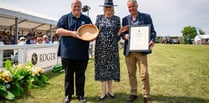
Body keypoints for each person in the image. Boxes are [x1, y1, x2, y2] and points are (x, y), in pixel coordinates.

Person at [56, 0, 92, 103]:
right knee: (68, 75)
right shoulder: (65, 18)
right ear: (71, 7)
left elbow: (92, 32)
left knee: (81, 75)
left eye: (78, 6)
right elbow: (58, 31)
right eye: (75, 6)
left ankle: (81, 95)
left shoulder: (86, 19)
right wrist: (72, 33)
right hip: (67, 53)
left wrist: (92, 37)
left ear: (81, 7)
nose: (77, 8)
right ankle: (68, 95)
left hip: (82, 54)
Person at [121, 0, 156, 103]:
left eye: (133, 6)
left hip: (141, 51)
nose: (131, 8)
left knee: (144, 74)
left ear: (137, 6)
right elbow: (122, 33)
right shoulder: (125, 19)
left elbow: (152, 31)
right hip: (129, 51)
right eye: (129, 7)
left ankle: (146, 95)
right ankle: (133, 93)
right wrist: (125, 36)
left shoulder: (146, 17)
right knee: (131, 73)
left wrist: (152, 40)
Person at [94, 0, 123, 100]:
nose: (108, 9)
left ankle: (110, 91)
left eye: (110, 7)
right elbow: (95, 31)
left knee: (111, 69)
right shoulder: (99, 17)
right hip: (100, 48)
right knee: (102, 69)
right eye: (106, 7)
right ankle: (103, 92)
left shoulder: (117, 19)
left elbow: (118, 35)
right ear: (104, 8)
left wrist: (120, 33)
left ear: (113, 8)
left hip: (112, 49)